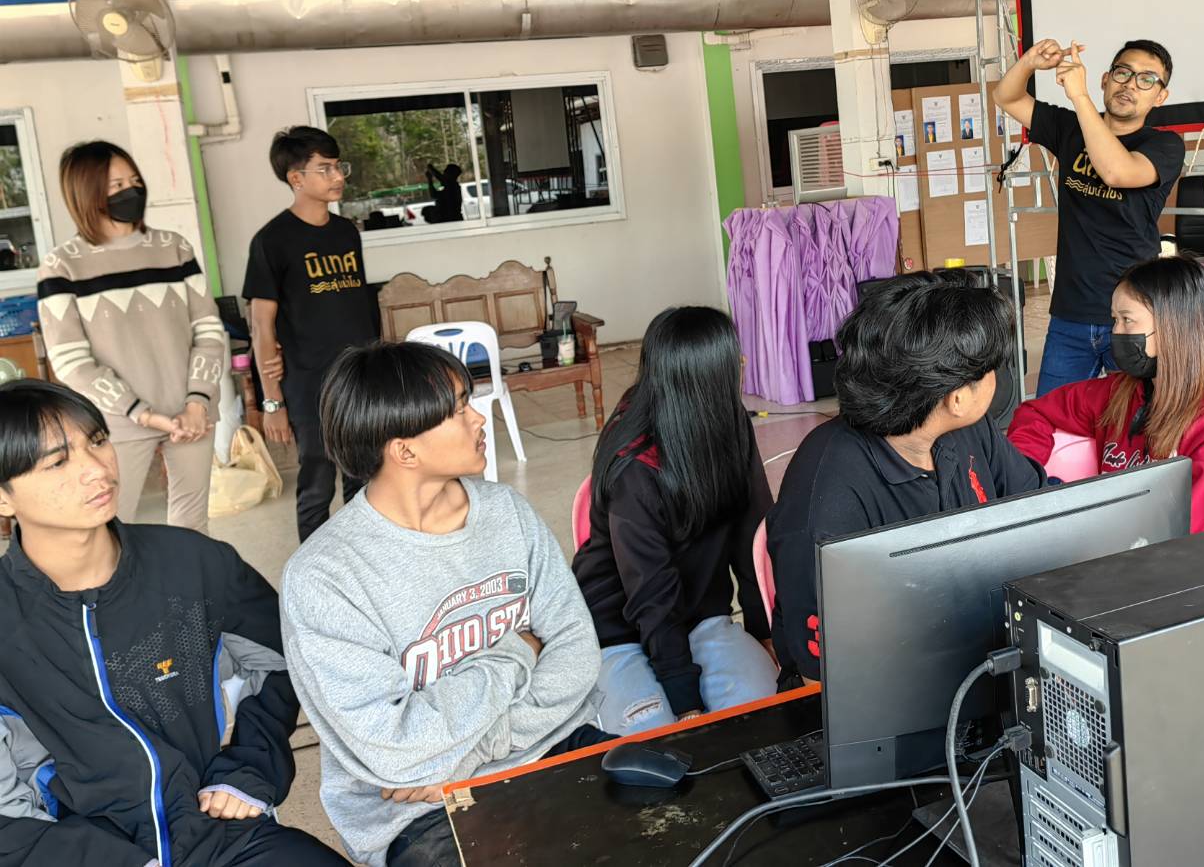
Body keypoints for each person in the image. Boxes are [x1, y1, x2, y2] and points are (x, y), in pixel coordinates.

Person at [281, 341, 607, 867]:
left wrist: (476, 750)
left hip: (550, 744)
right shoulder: (325, 577)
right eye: (458, 410)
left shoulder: (507, 513)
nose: (478, 418)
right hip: (419, 808)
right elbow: (394, 748)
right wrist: (518, 651)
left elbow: (576, 651)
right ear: (405, 451)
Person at [0, 380, 346, 866]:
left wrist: (249, 768)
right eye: (58, 462)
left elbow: (283, 663)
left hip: (218, 830)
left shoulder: (193, 564)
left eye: (97, 441)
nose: (97, 469)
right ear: (4, 499)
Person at [766, 272, 1046, 684]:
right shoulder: (827, 501)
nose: (996, 379)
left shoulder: (968, 429)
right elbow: (827, 683)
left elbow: (1039, 512)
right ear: (957, 397)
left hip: (979, 646)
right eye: (990, 369)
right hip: (881, 685)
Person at [572, 307, 777, 734]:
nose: (742, 364)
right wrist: (686, 702)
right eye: (733, 357)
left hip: (701, 617)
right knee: (660, 741)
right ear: (705, 375)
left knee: (757, 721)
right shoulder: (634, 462)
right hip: (620, 630)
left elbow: (754, 538)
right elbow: (650, 593)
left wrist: (765, 633)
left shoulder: (731, 424)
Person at [1008, 255, 1204, 532]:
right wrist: (1027, 483)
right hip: (1120, 545)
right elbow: (1036, 411)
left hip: (1189, 556)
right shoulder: (1125, 392)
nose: (1115, 332)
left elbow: (1189, 538)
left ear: (1174, 326)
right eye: (1114, 320)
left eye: (1127, 320)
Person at [36, 141, 227, 533]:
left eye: (135, 180)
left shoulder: (173, 248)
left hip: (192, 415)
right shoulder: (62, 266)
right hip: (115, 424)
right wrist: (142, 412)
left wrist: (197, 403)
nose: (132, 191)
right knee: (111, 528)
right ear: (87, 193)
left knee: (192, 526)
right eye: (117, 185)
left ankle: (187, 581)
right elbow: (71, 361)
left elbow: (208, 330)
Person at [995, 38, 1186, 395]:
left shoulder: (1165, 146)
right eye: (1123, 73)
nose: (1130, 85)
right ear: (1105, 80)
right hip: (1071, 311)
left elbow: (1117, 172)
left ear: (1160, 97)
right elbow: (1006, 97)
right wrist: (1029, 62)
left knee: (1135, 419)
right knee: (1052, 415)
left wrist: (1080, 97)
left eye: (1146, 79)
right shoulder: (1070, 128)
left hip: (1134, 315)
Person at [243, 127, 377, 542]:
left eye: (338, 166)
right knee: (317, 481)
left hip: (357, 376)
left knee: (363, 477)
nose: (337, 176)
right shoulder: (272, 241)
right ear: (296, 178)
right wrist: (272, 402)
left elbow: (357, 306)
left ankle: (363, 557)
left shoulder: (346, 232)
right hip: (308, 382)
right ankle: (314, 568)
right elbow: (261, 326)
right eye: (325, 168)